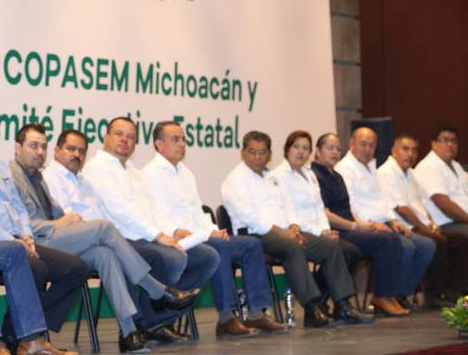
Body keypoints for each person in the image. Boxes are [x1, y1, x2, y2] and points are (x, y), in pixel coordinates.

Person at [10, 124, 199, 354]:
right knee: (105, 228)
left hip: (58, 237)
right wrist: (60, 223)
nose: (40, 152)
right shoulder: (12, 177)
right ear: (17, 147)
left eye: (43, 146)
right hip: (37, 241)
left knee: (105, 254)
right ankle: (156, 290)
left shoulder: (38, 177)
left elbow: (56, 212)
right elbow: (21, 224)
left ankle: (129, 332)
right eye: (33, 146)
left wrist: (67, 222)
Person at [142, 121, 287, 336]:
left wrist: (213, 229)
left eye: (183, 139)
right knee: (219, 246)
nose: (182, 144)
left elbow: (198, 212)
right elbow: (156, 215)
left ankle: (256, 313)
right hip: (175, 241)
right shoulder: (150, 174)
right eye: (175, 139)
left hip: (199, 237)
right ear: (159, 144)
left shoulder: (185, 173)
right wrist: (178, 231)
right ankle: (226, 318)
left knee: (251, 245)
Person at [82, 117, 219, 335]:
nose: (125, 140)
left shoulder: (134, 172)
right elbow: (121, 211)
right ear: (106, 137)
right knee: (173, 257)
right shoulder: (97, 169)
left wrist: (169, 233)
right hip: (120, 240)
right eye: (119, 134)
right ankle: (149, 323)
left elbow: (151, 210)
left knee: (207, 257)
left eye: (131, 137)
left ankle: (156, 321)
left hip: (145, 237)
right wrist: (159, 236)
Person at [0, 101, 88, 354]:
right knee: (34, 265)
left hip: (16, 239)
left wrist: (26, 235)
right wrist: (12, 239)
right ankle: (14, 337)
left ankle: (30, 334)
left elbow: (18, 207)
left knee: (76, 268)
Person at [222, 131, 357, 328]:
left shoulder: (271, 177)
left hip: (284, 232)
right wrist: (283, 232)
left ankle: (342, 304)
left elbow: (288, 206)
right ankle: (311, 308)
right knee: (292, 246)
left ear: (269, 155)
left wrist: (293, 226)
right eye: (252, 152)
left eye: (262, 152)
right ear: (243, 153)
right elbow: (249, 217)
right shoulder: (236, 179)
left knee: (329, 245)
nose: (257, 157)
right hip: (254, 234)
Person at [271, 131, 366, 324]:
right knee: (332, 246)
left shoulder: (310, 175)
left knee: (339, 246)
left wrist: (324, 230)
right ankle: (317, 306)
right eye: (296, 147)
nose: (301, 151)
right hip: (294, 230)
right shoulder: (278, 176)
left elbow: (319, 207)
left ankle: (341, 305)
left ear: (310, 152)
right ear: (287, 149)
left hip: (315, 231)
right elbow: (288, 211)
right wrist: (318, 232)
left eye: (305, 148)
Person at [336, 127, 436, 310]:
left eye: (372, 145)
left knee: (426, 245)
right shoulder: (345, 169)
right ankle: (384, 295)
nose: (368, 149)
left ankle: (400, 293)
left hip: (382, 223)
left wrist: (393, 221)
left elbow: (381, 201)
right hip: (362, 226)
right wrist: (371, 224)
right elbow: (349, 206)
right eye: (363, 144)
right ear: (352, 144)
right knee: (404, 245)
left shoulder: (370, 167)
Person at [312, 133, 408, 316]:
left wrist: (362, 225)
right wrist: (355, 226)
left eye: (338, 149)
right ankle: (381, 296)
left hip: (348, 226)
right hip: (336, 229)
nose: (335, 152)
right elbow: (326, 215)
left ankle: (388, 295)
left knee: (391, 237)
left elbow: (349, 209)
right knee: (383, 241)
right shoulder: (314, 175)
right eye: (330, 148)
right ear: (318, 151)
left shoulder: (337, 176)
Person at [378, 135, 468, 307]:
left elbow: (421, 204)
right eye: (405, 149)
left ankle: (453, 292)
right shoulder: (386, 173)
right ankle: (433, 295)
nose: (410, 154)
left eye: (414, 150)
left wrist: (432, 224)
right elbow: (403, 209)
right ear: (394, 151)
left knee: (460, 240)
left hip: (420, 225)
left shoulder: (411, 173)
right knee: (438, 241)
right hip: (403, 226)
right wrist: (426, 228)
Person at [414, 125, 468, 290]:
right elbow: (442, 203)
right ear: (433, 143)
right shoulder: (430, 166)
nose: (450, 144)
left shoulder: (455, 166)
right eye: (445, 140)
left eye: (454, 141)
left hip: (465, 220)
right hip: (446, 223)